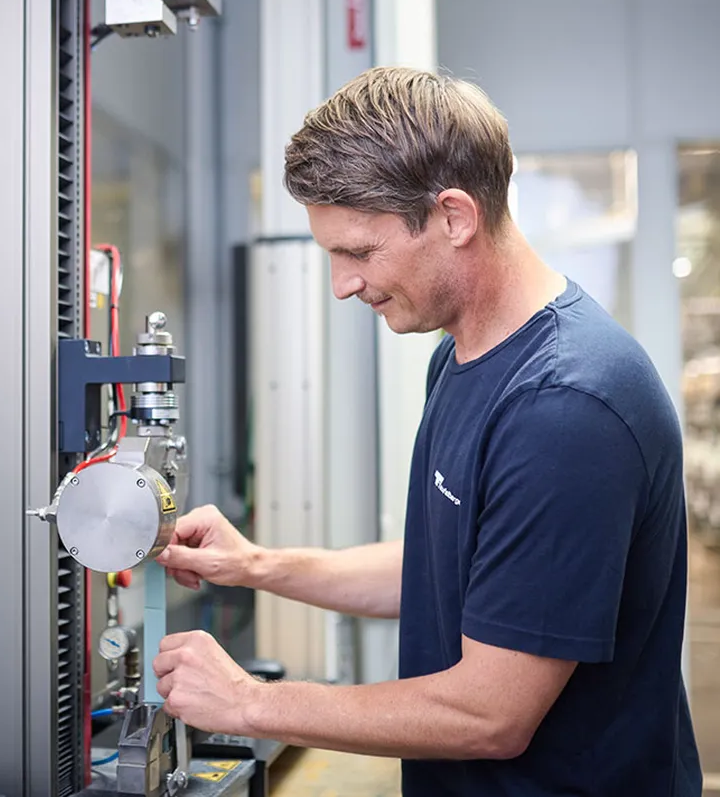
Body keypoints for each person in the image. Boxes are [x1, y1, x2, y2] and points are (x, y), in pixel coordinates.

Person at [152, 65, 703, 796]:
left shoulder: (566, 406)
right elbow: (452, 569)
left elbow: (489, 713)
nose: (343, 283)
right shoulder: (460, 355)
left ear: (453, 216)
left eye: (357, 251)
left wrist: (251, 701)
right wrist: (257, 565)